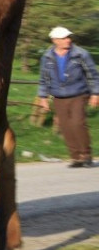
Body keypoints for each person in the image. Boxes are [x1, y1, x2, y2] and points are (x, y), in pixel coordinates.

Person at [36, 26, 99, 168]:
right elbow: (44, 79)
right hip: (59, 96)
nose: (68, 40)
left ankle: (86, 155)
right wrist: (43, 97)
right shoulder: (47, 57)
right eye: (64, 38)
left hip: (79, 94)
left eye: (68, 37)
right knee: (65, 126)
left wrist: (95, 93)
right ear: (55, 40)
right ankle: (76, 157)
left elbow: (92, 75)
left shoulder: (81, 54)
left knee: (77, 123)